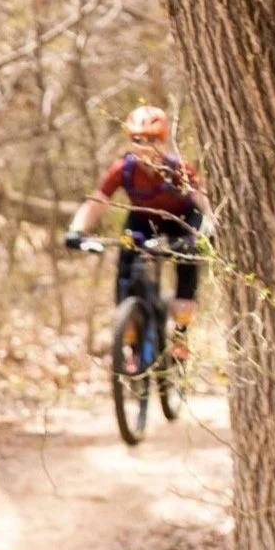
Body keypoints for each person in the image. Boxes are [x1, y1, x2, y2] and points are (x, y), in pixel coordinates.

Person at [65, 105, 213, 361]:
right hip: (142, 222)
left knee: (187, 266)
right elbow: (97, 202)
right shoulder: (124, 169)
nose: (144, 147)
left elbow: (203, 202)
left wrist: (206, 231)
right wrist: (76, 231)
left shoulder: (179, 169)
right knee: (125, 273)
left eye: (152, 140)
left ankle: (181, 337)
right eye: (137, 140)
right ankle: (132, 344)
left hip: (181, 222)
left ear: (163, 141)